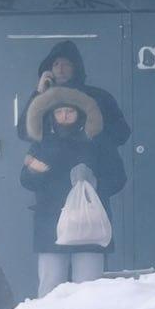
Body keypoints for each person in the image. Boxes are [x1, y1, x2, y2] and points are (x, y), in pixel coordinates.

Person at [19, 87, 122, 297]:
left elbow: (118, 177)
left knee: (89, 290)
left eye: (70, 112)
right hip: (51, 226)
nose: (64, 117)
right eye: (59, 112)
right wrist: (34, 172)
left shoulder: (98, 142)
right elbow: (26, 181)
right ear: (52, 115)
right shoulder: (41, 143)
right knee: (50, 288)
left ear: (81, 114)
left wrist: (95, 182)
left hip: (89, 226)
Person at [16, 41, 129, 203]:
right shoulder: (43, 102)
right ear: (49, 69)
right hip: (51, 204)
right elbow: (25, 132)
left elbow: (122, 133)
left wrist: (92, 138)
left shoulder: (99, 97)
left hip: (91, 202)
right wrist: (38, 94)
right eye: (56, 64)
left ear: (76, 67)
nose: (60, 69)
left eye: (66, 64)